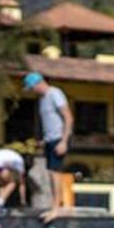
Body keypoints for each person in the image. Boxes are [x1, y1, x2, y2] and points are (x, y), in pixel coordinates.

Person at [24, 71, 73, 214]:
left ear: (38, 84)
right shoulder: (42, 99)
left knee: (55, 172)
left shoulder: (54, 93)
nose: (32, 91)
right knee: (50, 172)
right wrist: (43, 140)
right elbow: (49, 122)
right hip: (50, 139)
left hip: (60, 138)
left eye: (32, 88)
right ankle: (55, 204)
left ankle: (56, 207)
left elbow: (68, 117)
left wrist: (64, 141)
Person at [0, 147, 27, 216]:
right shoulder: (20, 165)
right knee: (12, 183)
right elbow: (22, 184)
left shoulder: (14, 159)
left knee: (4, 184)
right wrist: (23, 200)